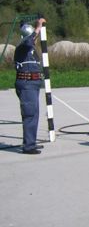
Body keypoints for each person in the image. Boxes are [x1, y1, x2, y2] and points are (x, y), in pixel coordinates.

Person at [14, 18, 46, 154]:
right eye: (34, 36)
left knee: (33, 115)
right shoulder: (23, 46)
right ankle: (28, 147)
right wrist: (38, 27)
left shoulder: (30, 49)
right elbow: (28, 40)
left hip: (32, 85)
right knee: (29, 114)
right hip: (27, 85)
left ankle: (30, 142)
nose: (35, 39)